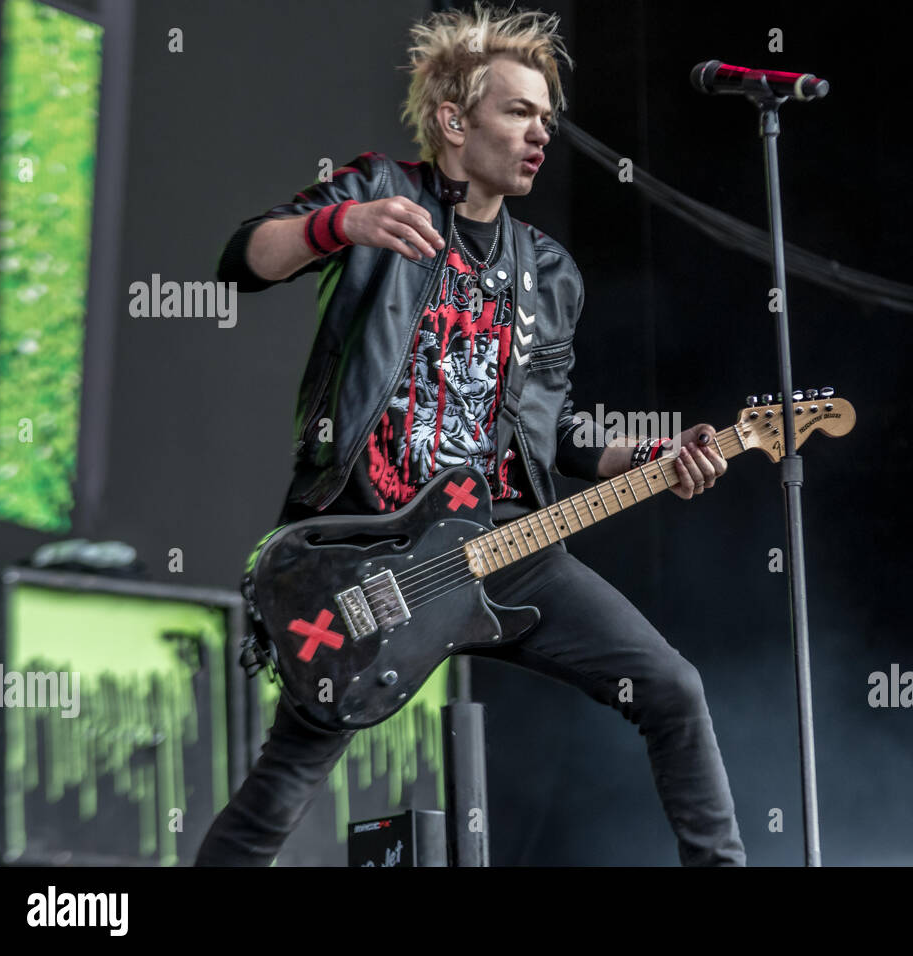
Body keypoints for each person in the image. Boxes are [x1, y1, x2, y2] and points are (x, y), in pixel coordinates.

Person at [195, 2, 745, 867]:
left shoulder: (550, 274)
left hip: (504, 542)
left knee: (673, 687)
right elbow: (242, 260)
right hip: (372, 548)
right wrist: (340, 224)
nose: (539, 134)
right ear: (455, 120)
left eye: (546, 119)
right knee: (282, 787)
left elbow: (551, 431)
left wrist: (650, 455)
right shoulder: (383, 191)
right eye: (519, 112)